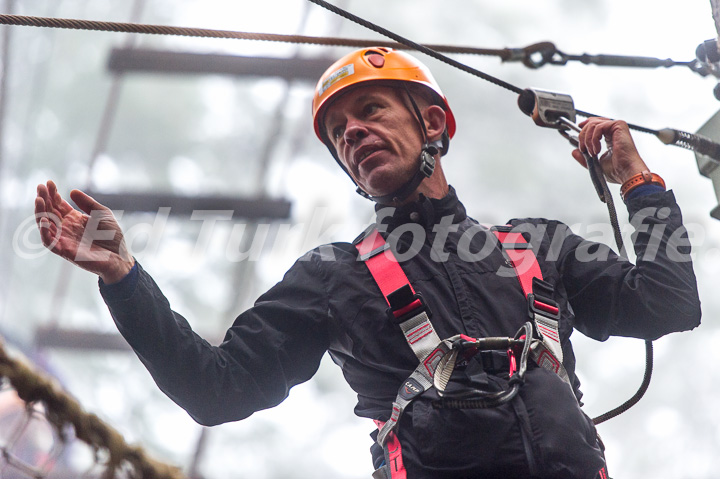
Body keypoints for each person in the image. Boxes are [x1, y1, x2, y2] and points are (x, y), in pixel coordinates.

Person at [34, 47, 701, 479]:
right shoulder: (335, 277)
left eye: (371, 110)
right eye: (339, 133)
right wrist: (125, 278)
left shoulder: (537, 246)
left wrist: (637, 182)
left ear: (434, 124)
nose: (352, 134)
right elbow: (217, 387)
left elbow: (668, 302)